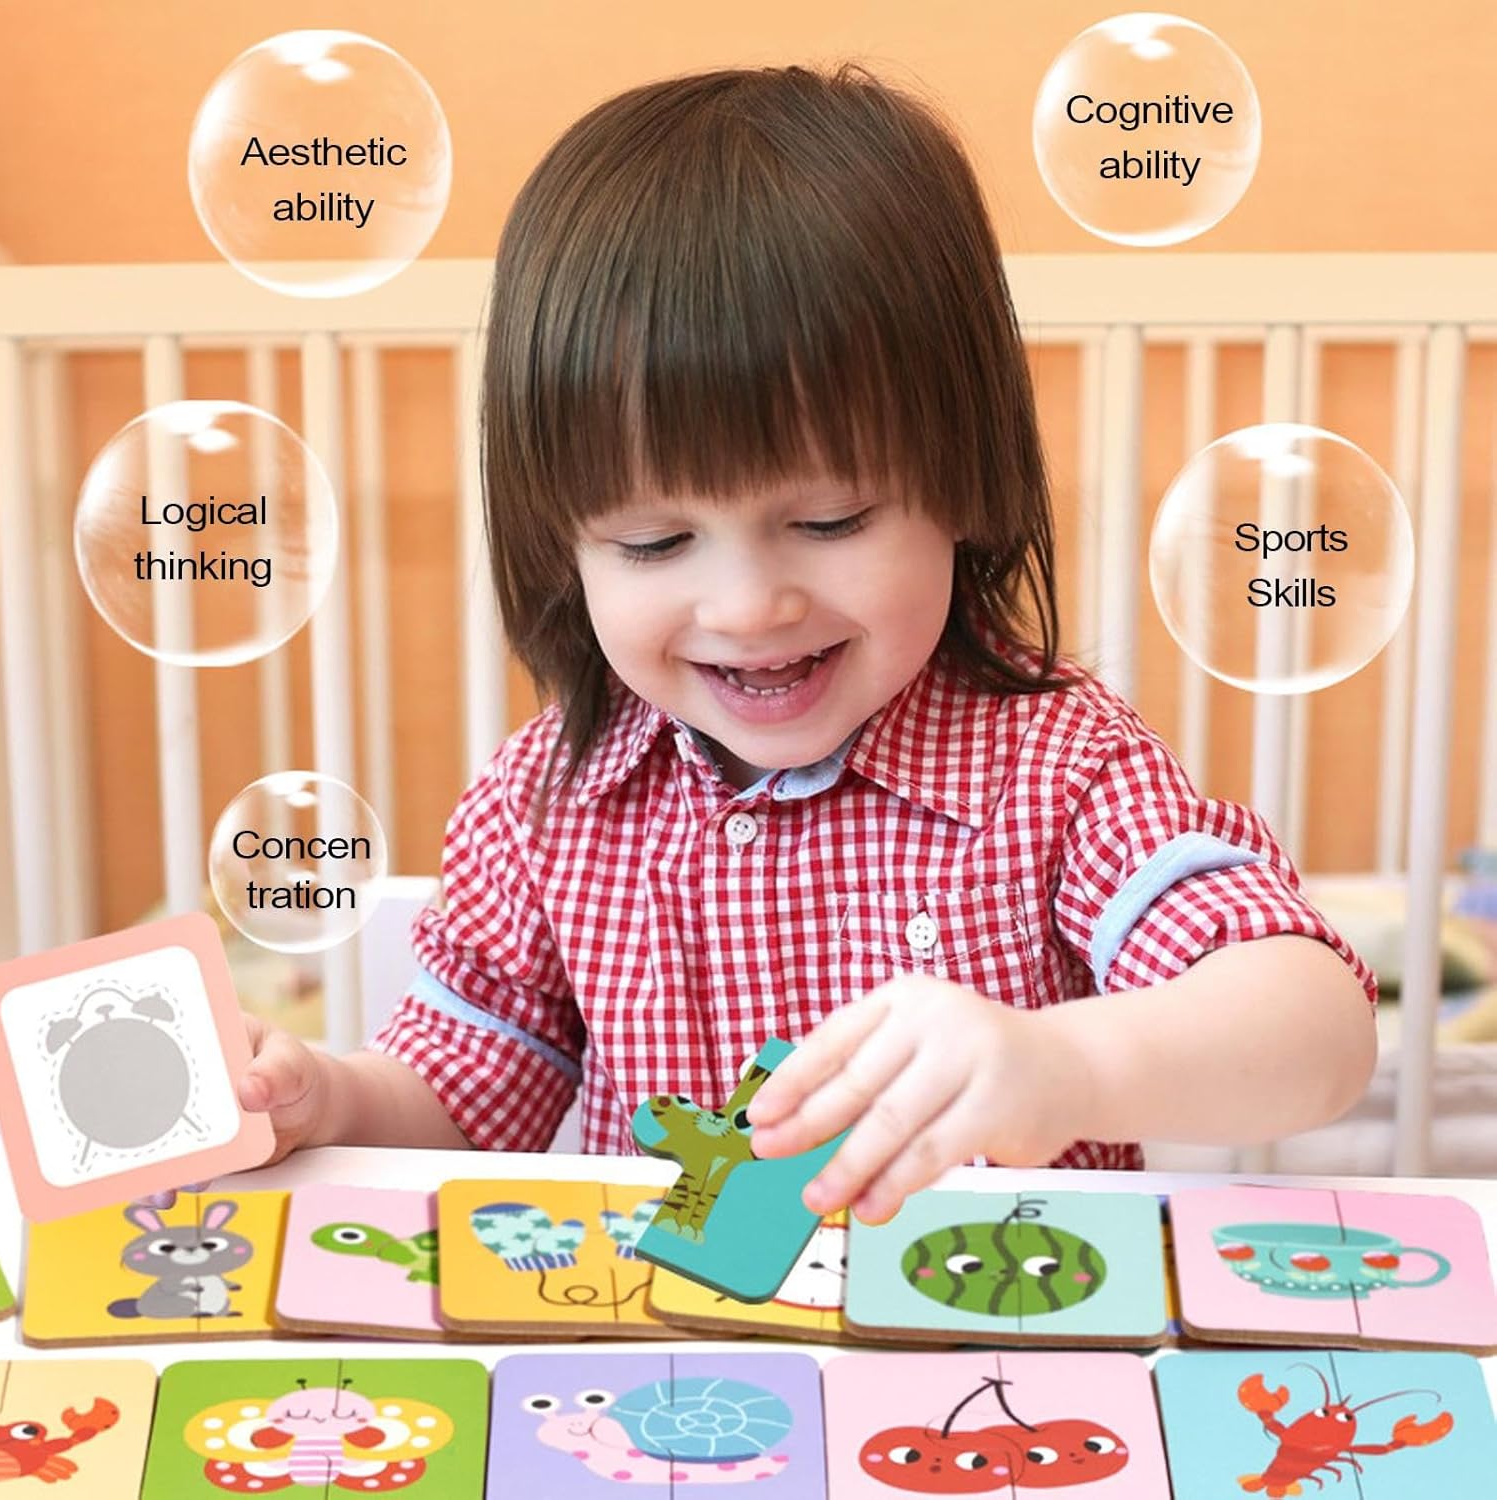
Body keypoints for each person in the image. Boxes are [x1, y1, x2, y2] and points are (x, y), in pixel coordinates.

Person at [238, 63, 1377, 1225]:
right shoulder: (546, 806)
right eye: (654, 542)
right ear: (563, 547)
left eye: (829, 522)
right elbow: (461, 1092)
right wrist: (328, 1096)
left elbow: (1315, 1027)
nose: (748, 607)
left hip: (995, 1319)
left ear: (965, 481)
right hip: (677, 1334)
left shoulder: (1058, 765)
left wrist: (1065, 1061)